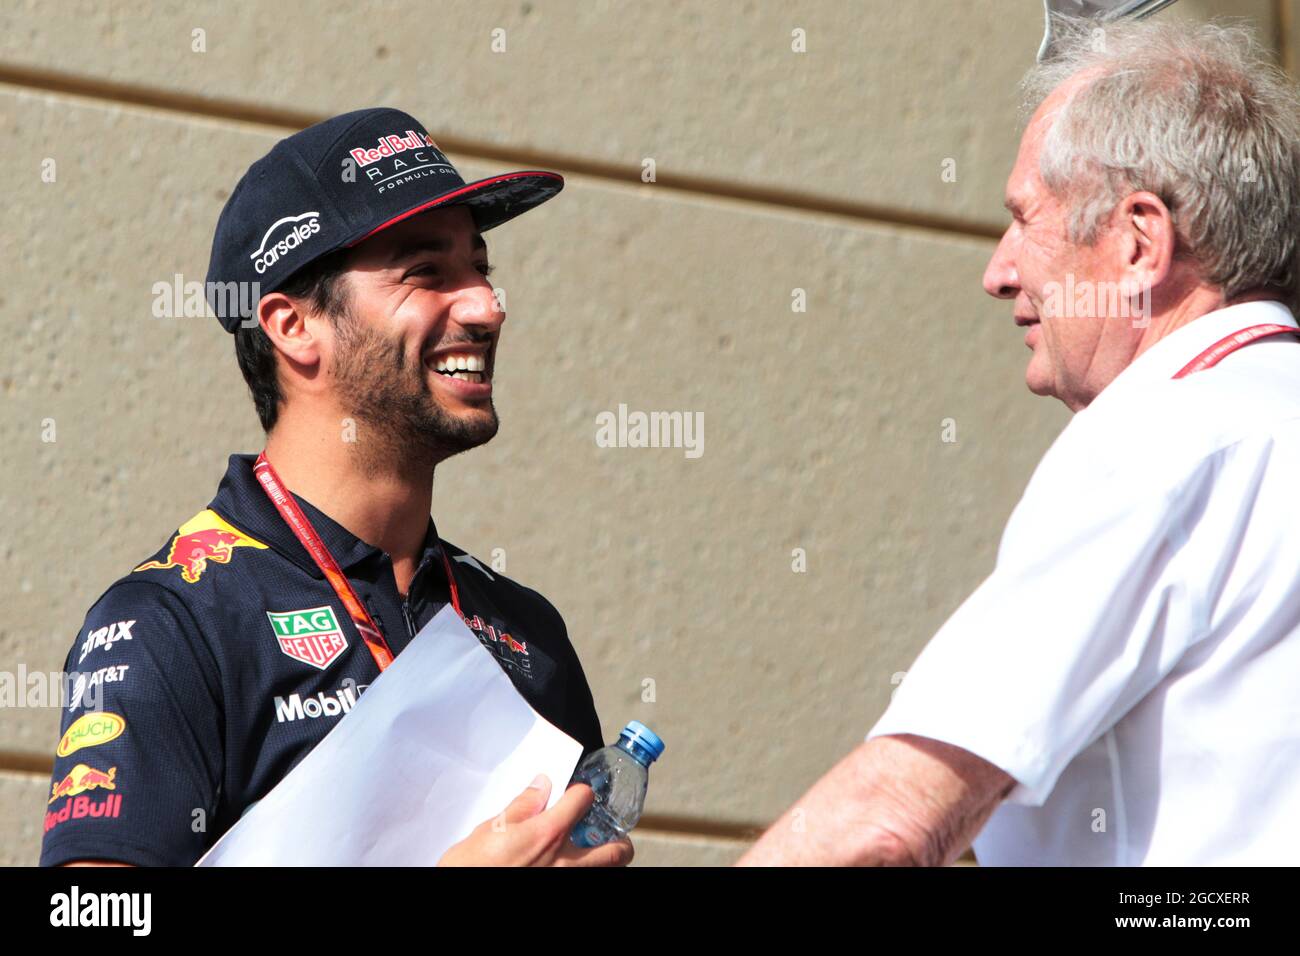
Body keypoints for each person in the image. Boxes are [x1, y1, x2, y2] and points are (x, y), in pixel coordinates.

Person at [740, 17, 1300, 866]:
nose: (999, 270)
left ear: (1140, 241)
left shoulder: (1168, 435)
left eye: (1024, 219)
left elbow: (889, 822)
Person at [40, 107, 630, 867]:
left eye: (480, 267)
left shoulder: (526, 633)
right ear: (292, 327)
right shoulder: (174, 621)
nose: (487, 305)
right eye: (426, 273)